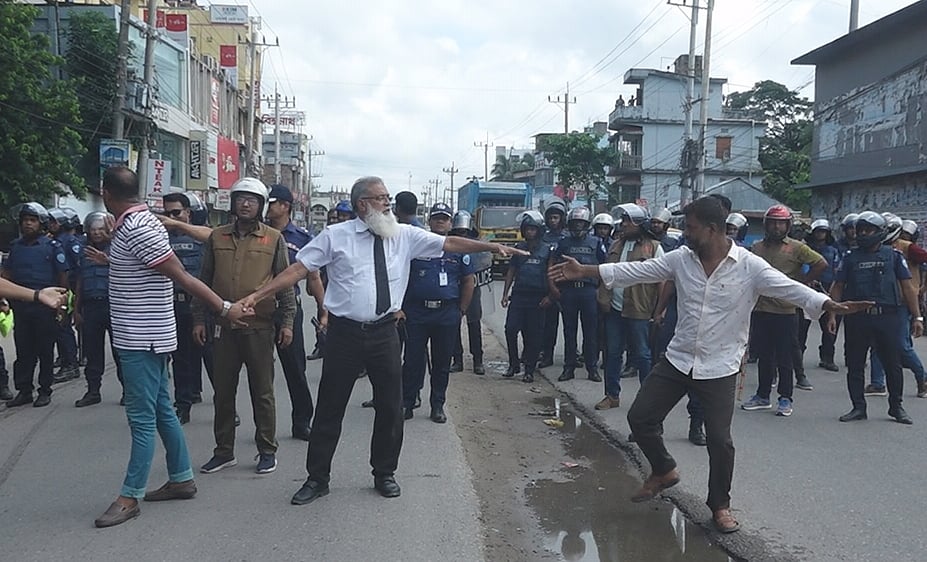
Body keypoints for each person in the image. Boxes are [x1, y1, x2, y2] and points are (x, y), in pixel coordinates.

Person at [548, 196, 869, 533]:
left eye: (690, 227)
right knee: (640, 418)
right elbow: (637, 270)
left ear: (712, 229)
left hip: (721, 365)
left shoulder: (749, 265)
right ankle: (664, 469)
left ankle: (720, 506)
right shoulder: (680, 260)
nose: (684, 233)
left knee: (719, 440)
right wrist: (585, 270)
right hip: (679, 358)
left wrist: (829, 303)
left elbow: (789, 288)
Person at [237, 176, 525, 506]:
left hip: (385, 332)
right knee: (330, 408)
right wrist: (258, 295)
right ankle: (317, 478)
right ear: (363, 204)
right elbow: (298, 270)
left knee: (390, 407)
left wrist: (490, 246)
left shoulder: (403, 235)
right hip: (344, 335)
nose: (388, 203)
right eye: (381, 198)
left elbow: (450, 244)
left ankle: (384, 473)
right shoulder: (335, 236)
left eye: (388, 197)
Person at [93, 166, 250, 528]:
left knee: (141, 418)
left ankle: (130, 495)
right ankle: (181, 477)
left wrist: (224, 307)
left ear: (106, 194)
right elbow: (143, 268)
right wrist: (111, 260)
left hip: (142, 338)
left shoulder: (137, 228)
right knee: (162, 408)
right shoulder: (136, 225)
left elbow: (181, 275)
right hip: (145, 334)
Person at [192, 177, 297, 476]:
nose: (246, 203)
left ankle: (266, 449)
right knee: (223, 392)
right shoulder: (217, 237)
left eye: (252, 199)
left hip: (259, 327)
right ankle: (223, 451)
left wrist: (287, 321)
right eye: (241, 199)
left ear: (262, 205)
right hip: (223, 327)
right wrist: (199, 318)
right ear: (233, 203)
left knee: (262, 392)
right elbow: (204, 281)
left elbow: (284, 282)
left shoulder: (273, 239)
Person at [827, 211, 923, 425]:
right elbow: (838, 286)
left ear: (880, 232)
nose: (863, 234)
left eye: (868, 230)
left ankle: (896, 407)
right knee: (855, 364)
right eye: (860, 230)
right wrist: (832, 313)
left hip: (888, 317)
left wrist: (917, 317)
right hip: (857, 318)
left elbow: (907, 288)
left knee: (892, 364)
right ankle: (858, 407)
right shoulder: (850, 257)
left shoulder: (894, 256)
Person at [741, 205, 825, 417]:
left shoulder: (797, 248)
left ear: (788, 225)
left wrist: (802, 283)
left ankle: (785, 397)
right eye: (773, 222)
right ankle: (762, 395)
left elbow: (820, 263)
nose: (776, 227)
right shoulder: (757, 247)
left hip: (786, 310)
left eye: (781, 223)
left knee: (785, 356)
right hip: (761, 308)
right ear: (766, 224)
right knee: (764, 355)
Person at [402, 203, 475, 422]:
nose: (440, 221)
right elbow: (403, 277)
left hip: (446, 314)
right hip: (417, 312)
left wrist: (461, 309)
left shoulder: (459, 250)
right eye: (436, 218)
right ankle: (407, 402)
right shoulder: (417, 247)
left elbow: (468, 281)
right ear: (430, 222)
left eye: (444, 218)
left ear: (450, 223)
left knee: (442, 362)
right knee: (413, 360)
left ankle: (437, 405)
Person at [266, 184, 326, 440]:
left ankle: (302, 421)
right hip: (259, 309)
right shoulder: (257, 233)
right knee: (260, 370)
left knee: (295, 368)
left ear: (284, 206)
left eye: (271, 203)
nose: (267, 208)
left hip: (289, 310)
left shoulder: (301, 238)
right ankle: (263, 426)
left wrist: (324, 311)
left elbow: (314, 277)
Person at [596, 204, 664, 411]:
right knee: (613, 353)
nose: (623, 224)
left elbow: (662, 279)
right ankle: (611, 395)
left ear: (639, 224)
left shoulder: (653, 247)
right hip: (615, 309)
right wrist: (603, 299)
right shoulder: (616, 244)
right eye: (623, 220)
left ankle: (647, 400)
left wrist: (660, 310)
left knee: (643, 355)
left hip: (639, 309)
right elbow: (606, 272)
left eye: (628, 221)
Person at [2, 203, 69, 408]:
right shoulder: (15, 247)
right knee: (23, 351)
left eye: (32, 220)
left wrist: (61, 305)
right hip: (22, 306)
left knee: (45, 350)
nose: (27, 224)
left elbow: (63, 276)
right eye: (24, 220)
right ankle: (24, 390)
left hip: (45, 307)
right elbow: (6, 275)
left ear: (41, 224)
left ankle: (45, 390)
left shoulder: (52, 247)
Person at [161, 192, 212, 424]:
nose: (170, 218)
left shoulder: (200, 234)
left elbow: (213, 237)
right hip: (175, 305)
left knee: (213, 359)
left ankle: (225, 407)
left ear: (188, 213)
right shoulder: (161, 238)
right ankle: (183, 405)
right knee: (180, 359)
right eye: (167, 213)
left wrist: (180, 225)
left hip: (201, 306)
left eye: (176, 213)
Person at [867, 213, 927, 397]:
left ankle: (922, 377)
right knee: (877, 343)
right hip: (880, 301)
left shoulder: (907, 248)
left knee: (901, 345)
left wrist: (921, 288)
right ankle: (877, 383)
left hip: (902, 302)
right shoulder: (873, 248)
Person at [73, 211, 124, 407]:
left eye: (100, 230)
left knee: (120, 352)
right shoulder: (83, 252)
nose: (96, 234)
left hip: (114, 306)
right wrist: (76, 310)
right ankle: (93, 391)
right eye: (93, 230)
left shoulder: (118, 249)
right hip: (91, 307)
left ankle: (127, 391)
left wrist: (109, 260)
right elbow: (79, 282)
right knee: (92, 352)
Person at [501, 211, 555, 383]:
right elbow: (512, 271)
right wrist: (505, 294)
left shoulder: (548, 250)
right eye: (528, 229)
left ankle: (529, 370)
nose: (530, 232)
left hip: (538, 298)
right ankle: (513, 364)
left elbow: (552, 274)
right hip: (518, 296)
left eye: (533, 229)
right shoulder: (519, 248)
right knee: (510, 329)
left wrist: (550, 296)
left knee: (533, 335)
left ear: (539, 230)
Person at [555, 207, 604, 383]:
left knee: (590, 332)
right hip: (569, 291)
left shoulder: (596, 242)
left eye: (581, 223)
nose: (577, 227)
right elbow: (554, 263)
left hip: (588, 291)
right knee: (569, 331)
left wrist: (600, 290)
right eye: (574, 224)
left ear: (587, 224)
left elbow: (603, 266)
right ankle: (569, 368)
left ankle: (592, 369)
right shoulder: (563, 243)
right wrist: (556, 288)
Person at [48, 207, 82, 382]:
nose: (51, 225)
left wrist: (72, 293)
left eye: (54, 221)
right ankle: (64, 358)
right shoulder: (53, 241)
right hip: (55, 289)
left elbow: (75, 269)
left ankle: (71, 364)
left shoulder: (69, 241)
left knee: (63, 327)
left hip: (67, 290)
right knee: (58, 328)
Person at [449, 210, 484, 375]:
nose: (461, 234)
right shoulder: (449, 243)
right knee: (454, 324)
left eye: (464, 231)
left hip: (473, 288)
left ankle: (478, 360)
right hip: (454, 288)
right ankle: (457, 360)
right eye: (458, 231)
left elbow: (484, 262)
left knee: (474, 324)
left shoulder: (477, 244)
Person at [806, 219, 841, 372]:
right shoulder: (805, 248)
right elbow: (801, 268)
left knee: (830, 327)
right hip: (807, 291)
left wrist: (833, 288)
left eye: (824, 232)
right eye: (818, 231)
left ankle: (827, 358)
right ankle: (796, 358)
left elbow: (837, 270)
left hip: (827, 290)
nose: (821, 234)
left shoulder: (832, 251)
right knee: (800, 328)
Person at [539, 197, 567, 368]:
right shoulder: (543, 238)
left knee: (570, 324)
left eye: (556, 217)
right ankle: (546, 354)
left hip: (568, 285)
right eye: (551, 217)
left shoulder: (569, 236)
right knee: (549, 323)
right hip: (549, 284)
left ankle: (573, 356)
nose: (553, 220)